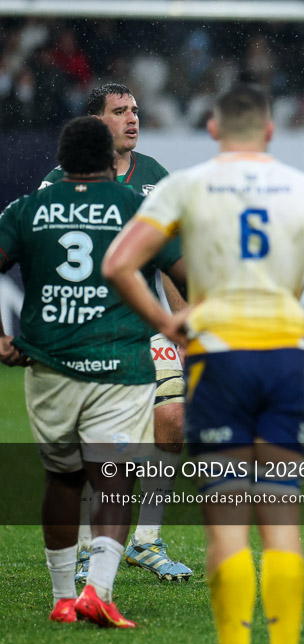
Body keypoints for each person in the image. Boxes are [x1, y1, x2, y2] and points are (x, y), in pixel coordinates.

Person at [103, 84, 304, 644]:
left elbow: (118, 263)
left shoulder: (186, 186)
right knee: (280, 516)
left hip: (217, 360)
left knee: (227, 524)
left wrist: (168, 320)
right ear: (269, 130)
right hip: (280, 358)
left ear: (212, 129)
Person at [0, 116, 184, 628]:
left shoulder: (28, 208)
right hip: (118, 365)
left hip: (49, 365)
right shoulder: (134, 208)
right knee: (114, 479)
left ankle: (63, 598)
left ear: (62, 161)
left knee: (62, 480)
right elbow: (185, 271)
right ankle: (97, 592)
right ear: (109, 160)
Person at [42, 82, 192, 583]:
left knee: (174, 420)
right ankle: (87, 546)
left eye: (135, 110)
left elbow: (172, 265)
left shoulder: (156, 179)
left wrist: (185, 327)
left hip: (145, 329)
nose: (132, 118)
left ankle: (146, 541)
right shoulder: (57, 183)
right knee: (103, 444)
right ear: (95, 121)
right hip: (85, 333)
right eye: (119, 111)